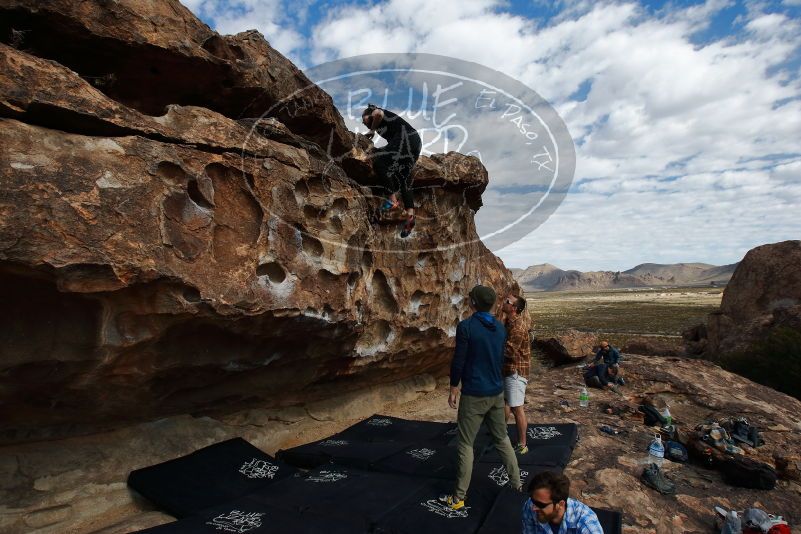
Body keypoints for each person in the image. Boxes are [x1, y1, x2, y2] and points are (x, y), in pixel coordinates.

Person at [440, 285, 521, 511]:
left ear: (472, 303)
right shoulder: (499, 327)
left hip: (474, 393)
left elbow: (459, 360)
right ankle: (516, 485)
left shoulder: (466, 327)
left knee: (465, 443)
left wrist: (454, 386)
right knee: (502, 439)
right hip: (496, 392)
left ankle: (458, 498)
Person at [361, 104, 422, 238]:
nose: (362, 122)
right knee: (403, 178)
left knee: (379, 162)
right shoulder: (384, 126)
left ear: (368, 113)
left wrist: (371, 131)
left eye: (363, 118)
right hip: (415, 143)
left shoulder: (379, 114)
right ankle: (410, 217)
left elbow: (377, 114)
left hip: (406, 139)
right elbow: (393, 144)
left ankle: (392, 201)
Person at [522, 471, 604, 534]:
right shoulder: (531, 505)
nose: (534, 507)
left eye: (541, 505)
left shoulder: (586, 524)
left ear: (560, 504)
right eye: (533, 500)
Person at [500, 293, 530, 454]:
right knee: (505, 403)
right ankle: (501, 436)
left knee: (517, 407)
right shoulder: (507, 323)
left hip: (515, 372)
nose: (503, 302)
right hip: (507, 370)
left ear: (514, 308)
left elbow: (510, 351)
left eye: (507, 301)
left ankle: (522, 444)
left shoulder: (518, 327)